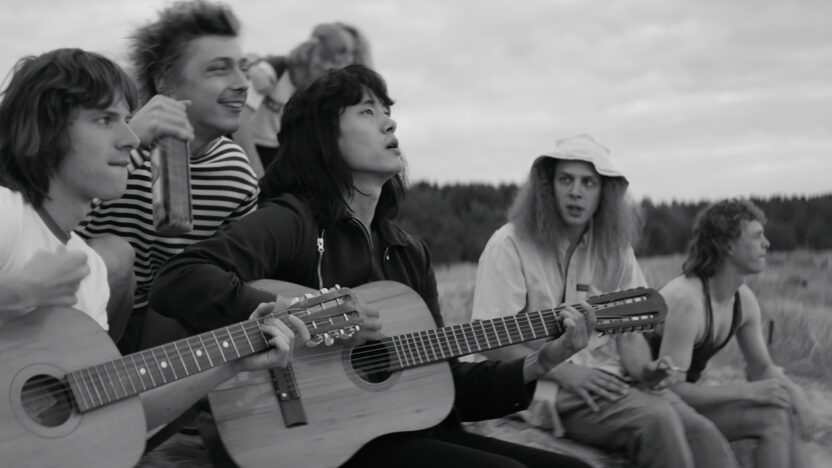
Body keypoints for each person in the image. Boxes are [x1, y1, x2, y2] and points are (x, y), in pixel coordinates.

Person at [149, 64, 593, 468]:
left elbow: (446, 382)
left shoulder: (407, 251)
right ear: (325, 137)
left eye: (387, 111)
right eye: (366, 111)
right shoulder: (292, 221)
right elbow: (179, 279)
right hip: (297, 441)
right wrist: (299, 313)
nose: (389, 122)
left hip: (387, 433)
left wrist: (539, 362)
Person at [0, 47, 309, 433]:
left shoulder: (90, 273)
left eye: (127, 120)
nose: (131, 139)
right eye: (104, 119)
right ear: (44, 133)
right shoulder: (8, 215)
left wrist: (233, 360)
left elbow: (111, 410)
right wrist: (13, 295)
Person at [471, 135, 737, 468]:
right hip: (538, 386)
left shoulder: (615, 248)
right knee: (657, 422)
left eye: (588, 182)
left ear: (604, 193)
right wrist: (565, 373)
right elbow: (491, 343)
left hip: (602, 376)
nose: (576, 191)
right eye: (565, 180)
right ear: (547, 186)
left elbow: (630, 332)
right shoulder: (508, 244)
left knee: (701, 432)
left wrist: (645, 370)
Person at [77, 0, 260, 353]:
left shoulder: (237, 173)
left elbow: (232, 275)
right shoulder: (111, 139)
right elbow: (51, 229)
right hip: (84, 314)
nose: (242, 85)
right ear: (166, 82)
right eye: (218, 69)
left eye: (243, 69)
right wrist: (130, 143)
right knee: (114, 255)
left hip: (166, 326)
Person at [651, 199, 813, 468]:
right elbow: (672, 390)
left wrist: (795, 392)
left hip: (682, 406)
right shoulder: (688, 302)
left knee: (783, 409)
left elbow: (762, 367)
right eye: (757, 236)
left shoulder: (743, 300)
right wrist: (748, 391)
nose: (767, 244)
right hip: (654, 408)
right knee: (772, 419)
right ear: (727, 245)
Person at [236, 22, 373, 170]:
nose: (327, 69)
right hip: (248, 146)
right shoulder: (274, 70)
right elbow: (240, 120)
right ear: (312, 52)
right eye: (327, 60)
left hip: (278, 152)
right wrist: (257, 173)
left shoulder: (319, 91)